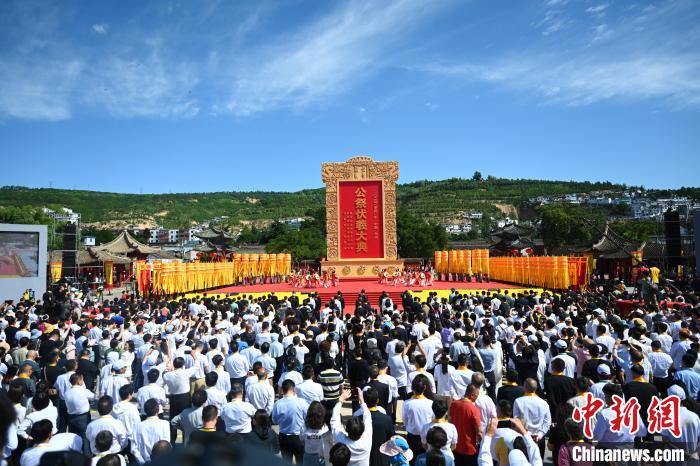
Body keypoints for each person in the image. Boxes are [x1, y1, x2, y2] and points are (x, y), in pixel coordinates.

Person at [330, 388, 373, 466]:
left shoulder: (340, 439)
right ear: (362, 430)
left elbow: (334, 421)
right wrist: (362, 400)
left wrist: (341, 400)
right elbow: (367, 416)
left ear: (346, 429)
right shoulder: (367, 439)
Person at [272, 379, 310, 464]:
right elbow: (308, 417)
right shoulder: (301, 402)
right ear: (293, 389)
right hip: (298, 438)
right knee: (301, 462)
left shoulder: (277, 404)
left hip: (283, 437)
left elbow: (274, 421)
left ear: (283, 390)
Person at [398, 377, 433, 464]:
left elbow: (405, 420)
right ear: (425, 387)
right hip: (427, 435)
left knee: (412, 459)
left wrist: (410, 427)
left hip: (412, 435)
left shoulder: (407, 403)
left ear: (412, 388)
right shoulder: (430, 403)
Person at [448, 384, 481, 466]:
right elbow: (479, 432)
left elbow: (450, 422)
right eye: (477, 396)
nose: (477, 398)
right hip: (469, 449)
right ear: (472, 395)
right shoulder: (474, 409)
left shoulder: (453, 404)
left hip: (455, 447)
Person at [131, 399, 170, 464]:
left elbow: (134, 448)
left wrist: (142, 462)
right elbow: (166, 444)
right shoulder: (165, 424)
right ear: (158, 410)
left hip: (143, 461)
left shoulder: (137, 426)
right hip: (160, 461)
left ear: (145, 411)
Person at [363, 388, 394, 466]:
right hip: (382, 458)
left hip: (366, 458)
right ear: (377, 401)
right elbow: (392, 438)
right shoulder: (386, 419)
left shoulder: (359, 419)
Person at [300, 401, 332, 466]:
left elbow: (302, 442)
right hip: (321, 456)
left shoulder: (304, 426)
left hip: (308, 455)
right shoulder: (325, 428)